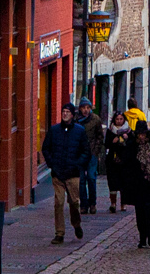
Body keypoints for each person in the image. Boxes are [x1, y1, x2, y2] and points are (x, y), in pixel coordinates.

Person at [113, 115, 150, 248]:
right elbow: (126, 163)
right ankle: (142, 237)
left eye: (143, 134)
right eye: (139, 134)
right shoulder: (132, 146)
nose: (141, 137)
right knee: (140, 211)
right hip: (137, 183)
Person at [41, 103, 88, 244]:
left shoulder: (79, 131)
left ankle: (76, 223)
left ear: (72, 115)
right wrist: (52, 164)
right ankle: (59, 233)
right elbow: (46, 148)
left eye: (67, 112)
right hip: (58, 173)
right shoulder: (54, 130)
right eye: (63, 111)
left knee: (74, 202)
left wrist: (77, 164)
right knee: (59, 203)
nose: (65, 114)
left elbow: (86, 151)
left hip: (73, 173)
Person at [80, 104, 106, 214]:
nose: (86, 110)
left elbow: (100, 137)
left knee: (91, 177)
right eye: (83, 108)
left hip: (92, 153)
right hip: (80, 154)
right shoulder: (76, 119)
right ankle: (83, 204)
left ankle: (92, 203)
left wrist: (96, 152)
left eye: (88, 108)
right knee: (81, 180)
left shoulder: (95, 119)